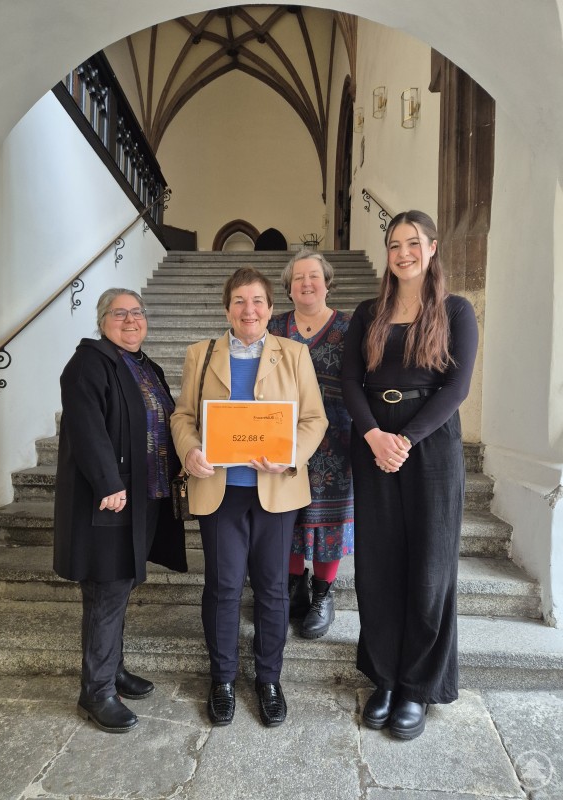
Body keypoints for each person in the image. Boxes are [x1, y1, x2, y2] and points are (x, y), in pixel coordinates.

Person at [341, 211, 478, 740]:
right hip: (374, 441)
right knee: (378, 564)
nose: (403, 253)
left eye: (413, 243)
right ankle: (385, 677)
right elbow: (351, 381)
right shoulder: (368, 312)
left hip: (430, 446)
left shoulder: (455, 311)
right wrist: (375, 435)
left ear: (433, 247)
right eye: (395, 244)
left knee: (428, 565)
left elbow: (456, 388)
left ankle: (418, 685)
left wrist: (405, 440)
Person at [171, 267, 327, 728]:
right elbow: (182, 416)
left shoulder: (294, 355)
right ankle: (221, 678)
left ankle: (268, 679)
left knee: (274, 589)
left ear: (270, 308)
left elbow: (314, 419)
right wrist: (190, 449)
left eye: (257, 300)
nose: (249, 310)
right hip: (221, 493)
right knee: (222, 587)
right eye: (239, 301)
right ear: (226, 308)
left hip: (276, 493)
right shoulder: (201, 354)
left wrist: (291, 454)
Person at [53, 288, 187, 734]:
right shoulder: (88, 364)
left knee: (121, 586)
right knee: (106, 592)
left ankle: (113, 670)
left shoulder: (145, 366)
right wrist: (109, 482)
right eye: (119, 313)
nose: (131, 320)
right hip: (110, 501)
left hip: (143, 499)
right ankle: (95, 692)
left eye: (137, 313)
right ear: (102, 319)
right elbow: (87, 427)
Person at [268, 248, 353, 639]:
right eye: (298, 277)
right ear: (288, 288)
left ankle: (322, 594)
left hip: (337, 438)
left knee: (327, 519)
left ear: (327, 282)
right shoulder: (274, 327)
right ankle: (290, 587)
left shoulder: (350, 328)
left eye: (313, 276)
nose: (306, 283)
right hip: (284, 436)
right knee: (288, 515)